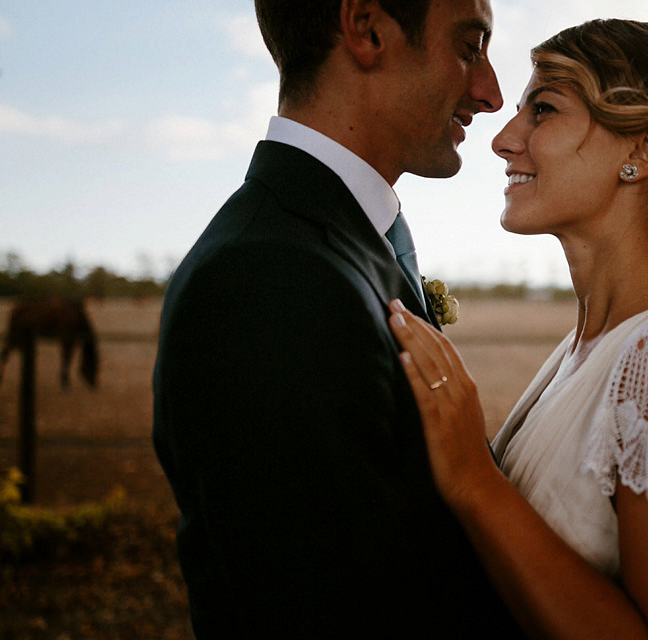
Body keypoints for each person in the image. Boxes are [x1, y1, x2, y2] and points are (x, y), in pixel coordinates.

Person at [388, 19, 648, 639]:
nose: (504, 139)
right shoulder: (585, 349)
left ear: (641, 152)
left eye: (544, 109)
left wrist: (475, 479)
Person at [152, 1, 525, 637]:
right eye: (469, 46)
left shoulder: (333, 240)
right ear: (367, 29)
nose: (490, 94)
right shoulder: (265, 280)